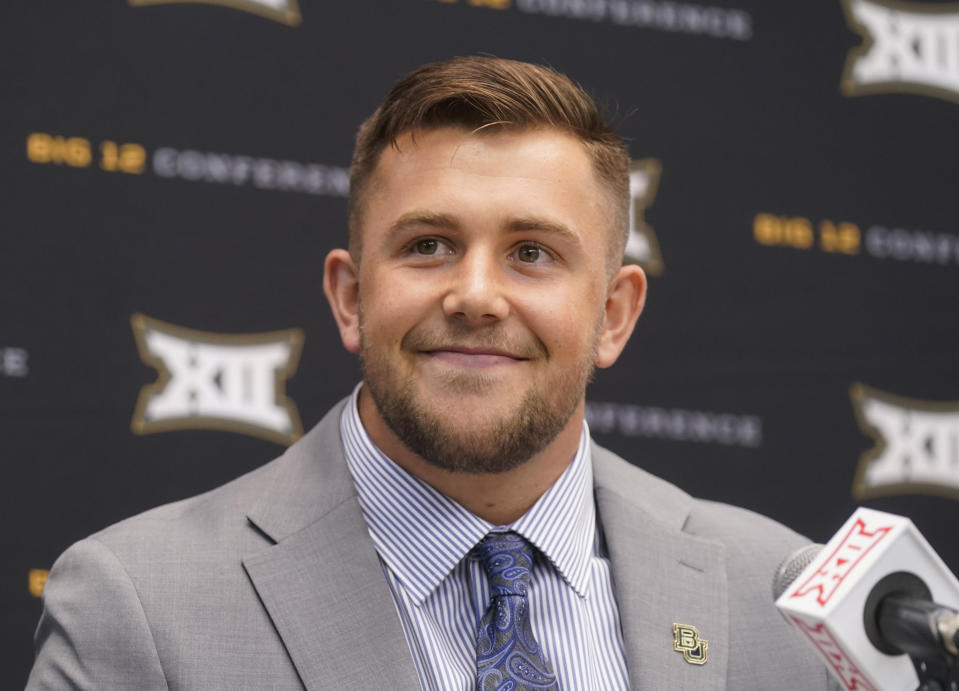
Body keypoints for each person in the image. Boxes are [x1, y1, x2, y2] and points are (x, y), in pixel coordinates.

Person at [27, 57, 835, 690]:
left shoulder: (783, 599)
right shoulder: (138, 606)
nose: (476, 295)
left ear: (613, 316)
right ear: (349, 298)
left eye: (532, 253)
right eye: (427, 245)